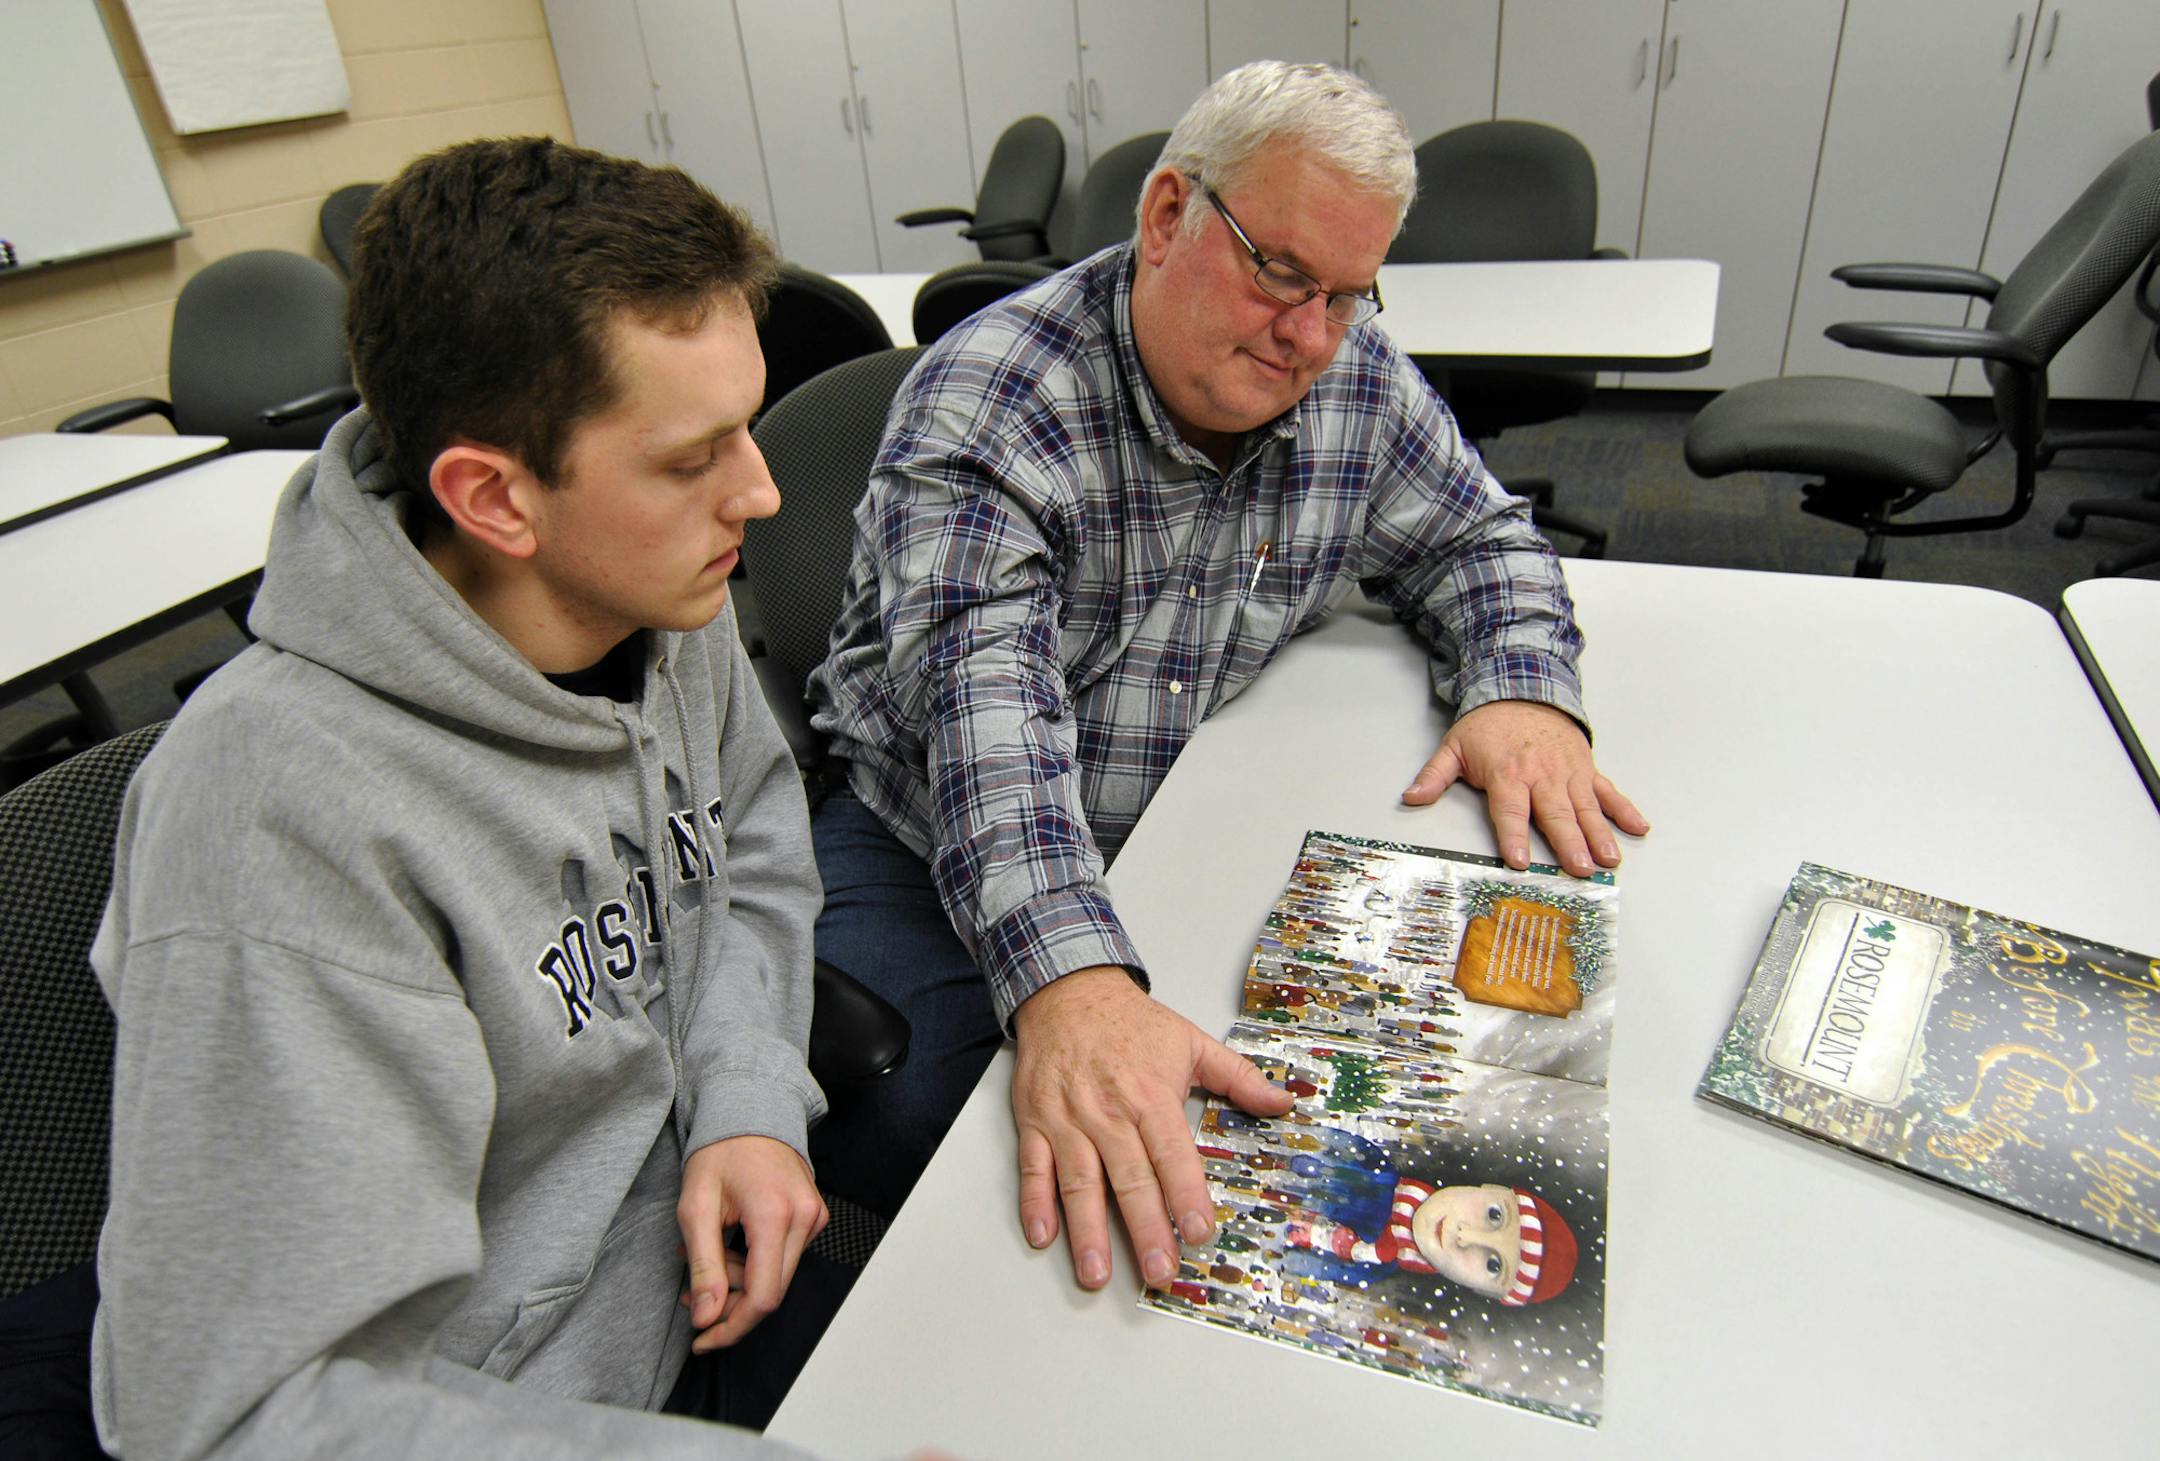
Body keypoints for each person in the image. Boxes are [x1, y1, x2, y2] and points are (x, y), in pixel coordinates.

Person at [805, 62, 1648, 1295]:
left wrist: (1518, 686)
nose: (1309, 335)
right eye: (1281, 274)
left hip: (1175, 811)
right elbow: (988, 735)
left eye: (1350, 295)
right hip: (929, 834)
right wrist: (1075, 984)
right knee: (1025, 1178)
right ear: (1165, 219)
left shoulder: (1346, 367)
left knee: (1324, 1127)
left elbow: (1479, 538)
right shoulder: (1000, 403)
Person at [89, 138, 837, 1457]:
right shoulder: (277, 819)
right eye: (693, 455)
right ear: (495, 498)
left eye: (751, 427)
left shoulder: (663, 591)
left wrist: (748, 1093)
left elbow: (756, 847)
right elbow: (230, 1416)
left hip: (693, 1276)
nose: (760, 492)